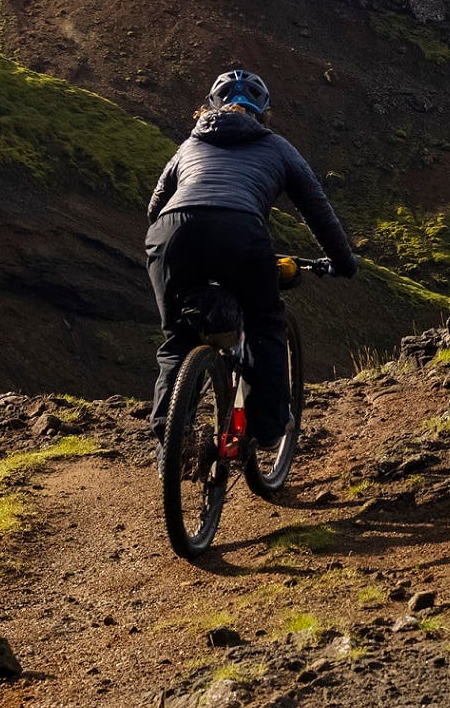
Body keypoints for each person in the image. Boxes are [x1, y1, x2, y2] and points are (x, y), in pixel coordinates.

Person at [145, 69, 358, 445]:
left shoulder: (190, 145)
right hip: (241, 231)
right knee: (264, 326)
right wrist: (344, 263)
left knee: (178, 337)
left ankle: (171, 433)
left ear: (209, 108)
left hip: (170, 233)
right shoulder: (276, 146)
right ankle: (269, 429)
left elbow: (154, 208)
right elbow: (317, 210)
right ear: (264, 112)